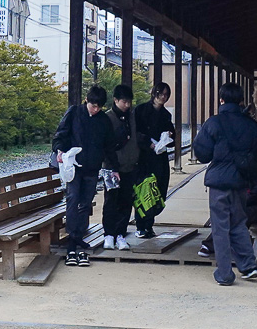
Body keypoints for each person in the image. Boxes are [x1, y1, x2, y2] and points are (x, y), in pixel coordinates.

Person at [192, 81, 257, 286]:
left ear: (221, 99)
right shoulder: (250, 124)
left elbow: (202, 152)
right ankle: (248, 266)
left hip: (219, 182)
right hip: (241, 181)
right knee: (238, 223)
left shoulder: (214, 123)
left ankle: (225, 273)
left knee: (220, 227)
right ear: (241, 100)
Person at [52, 85, 119, 267]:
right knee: (73, 199)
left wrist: (114, 168)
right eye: (93, 105)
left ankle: (78, 235)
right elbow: (61, 134)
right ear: (86, 101)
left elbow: (109, 147)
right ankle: (72, 240)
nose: (95, 109)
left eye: (99, 106)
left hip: (92, 168)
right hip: (74, 167)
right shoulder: (74, 113)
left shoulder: (103, 120)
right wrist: (59, 150)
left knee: (86, 202)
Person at [102, 84, 146, 251]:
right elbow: (105, 146)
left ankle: (120, 234)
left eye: (129, 102)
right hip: (111, 167)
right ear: (116, 100)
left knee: (126, 201)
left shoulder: (132, 117)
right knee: (111, 201)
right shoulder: (108, 118)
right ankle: (108, 234)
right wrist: (112, 166)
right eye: (124, 102)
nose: (127, 105)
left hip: (130, 166)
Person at [134, 82, 174, 238]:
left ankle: (149, 225)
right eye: (160, 94)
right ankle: (141, 226)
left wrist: (169, 136)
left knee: (158, 191)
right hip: (144, 157)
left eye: (165, 95)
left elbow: (172, 132)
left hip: (160, 157)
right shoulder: (141, 110)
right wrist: (149, 143)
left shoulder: (165, 115)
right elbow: (135, 132)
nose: (162, 97)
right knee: (145, 191)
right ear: (154, 93)